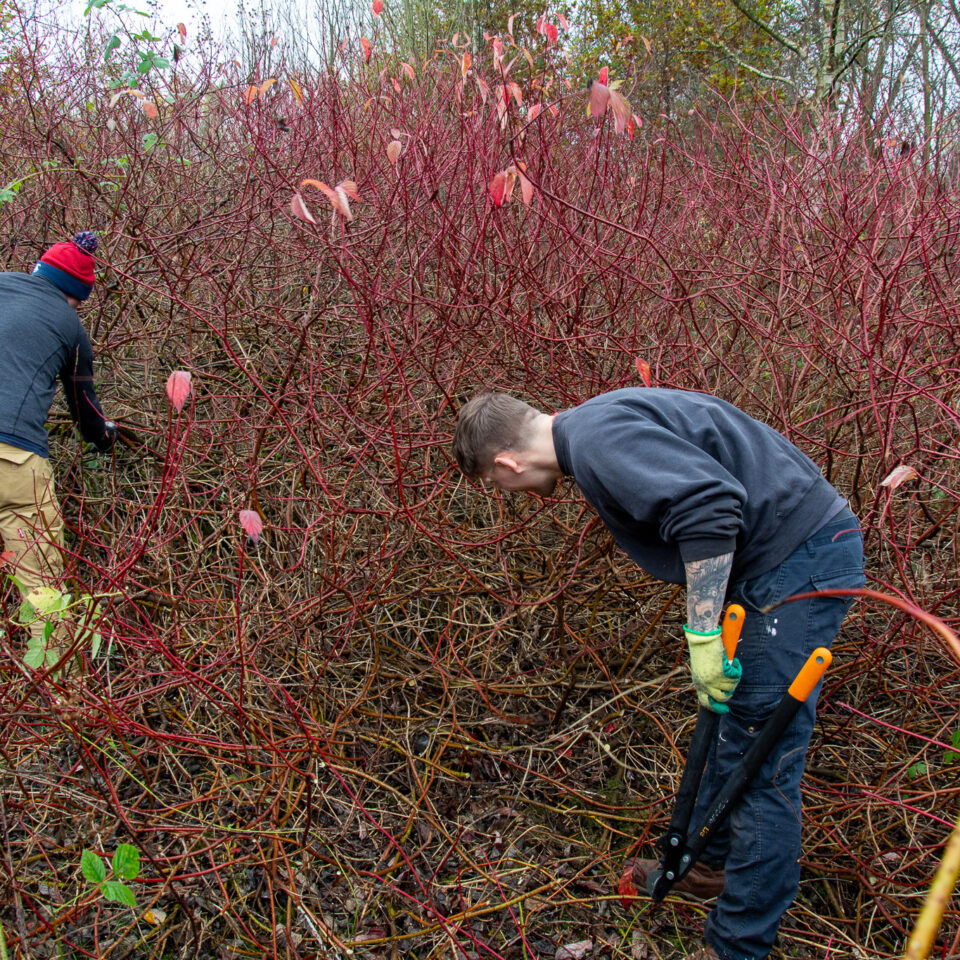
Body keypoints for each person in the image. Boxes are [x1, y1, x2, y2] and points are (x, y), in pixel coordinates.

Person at [452, 387, 865, 960]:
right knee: (735, 729)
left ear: (507, 463)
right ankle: (708, 866)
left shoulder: (597, 440)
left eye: (500, 486)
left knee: (760, 761)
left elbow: (710, 506)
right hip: (779, 560)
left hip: (797, 560)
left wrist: (701, 634)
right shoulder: (592, 429)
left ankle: (736, 944)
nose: (511, 493)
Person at [0, 231, 115, 659]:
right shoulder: (71, 327)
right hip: (14, 460)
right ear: (74, 296)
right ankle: (60, 701)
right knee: (44, 596)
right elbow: (86, 415)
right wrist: (106, 437)